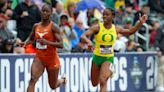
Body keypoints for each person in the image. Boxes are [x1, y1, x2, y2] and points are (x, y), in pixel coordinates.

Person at [80, 8, 147, 92]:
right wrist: (89, 41)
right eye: (103, 14)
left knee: (103, 81)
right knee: (94, 83)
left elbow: (130, 31)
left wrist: (140, 23)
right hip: (97, 57)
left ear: (113, 16)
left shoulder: (116, 29)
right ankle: (110, 72)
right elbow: (83, 36)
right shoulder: (97, 27)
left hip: (108, 57)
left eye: (107, 14)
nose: (104, 16)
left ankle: (108, 71)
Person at [19, 4, 66, 92]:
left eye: (46, 11)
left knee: (53, 85)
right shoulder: (36, 26)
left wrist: (47, 42)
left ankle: (63, 80)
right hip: (39, 58)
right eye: (43, 11)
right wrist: (25, 42)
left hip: (52, 60)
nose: (44, 13)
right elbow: (31, 38)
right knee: (32, 79)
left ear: (51, 13)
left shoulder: (53, 27)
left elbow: (61, 44)